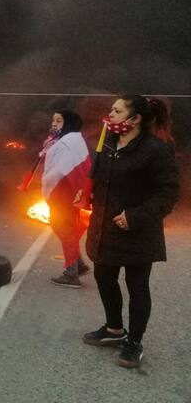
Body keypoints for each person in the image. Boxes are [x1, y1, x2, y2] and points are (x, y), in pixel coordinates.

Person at [82, 95, 179, 369]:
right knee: (103, 275)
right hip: (105, 229)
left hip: (138, 232)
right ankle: (114, 329)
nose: (110, 114)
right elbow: (101, 179)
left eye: (117, 110)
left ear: (135, 119)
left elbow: (169, 192)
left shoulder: (156, 150)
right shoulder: (108, 142)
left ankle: (134, 342)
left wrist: (135, 216)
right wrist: (87, 196)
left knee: (137, 287)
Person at [41, 110, 92, 288]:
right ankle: (79, 264)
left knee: (64, 229)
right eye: (53, 120)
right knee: (65, 228)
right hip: (65, 192)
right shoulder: (67, 141)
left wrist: (50, 181)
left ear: (68, 123)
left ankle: (72, 274)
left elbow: (62, 169)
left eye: (59, 121)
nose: (54, 123)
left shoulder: (69, 142)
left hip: (64, 193)